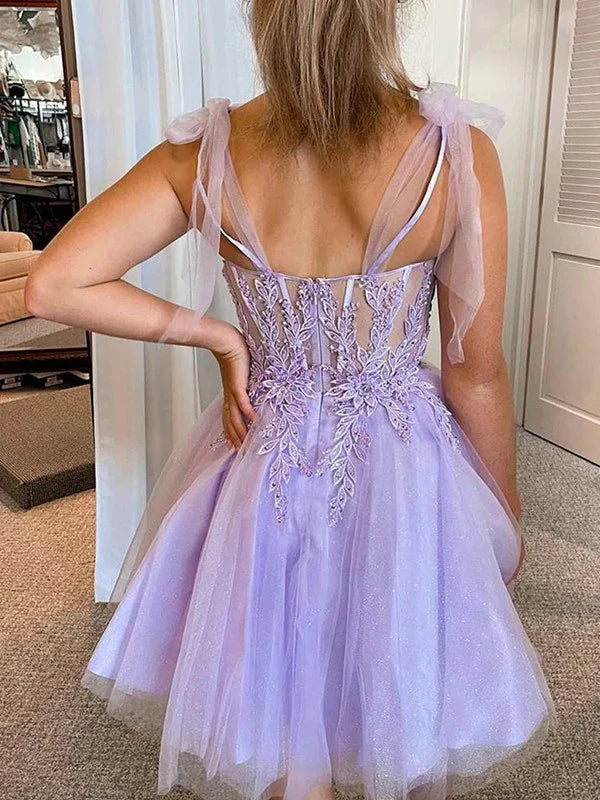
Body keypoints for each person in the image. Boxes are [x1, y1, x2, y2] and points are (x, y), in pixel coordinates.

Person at [25, 1, 555, 799]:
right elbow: (474, 373)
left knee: (275, 696)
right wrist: (500, 514)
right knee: (402, 686)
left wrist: (219, 336)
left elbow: (53, 285)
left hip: (263, 459)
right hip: (404, 466)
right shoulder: (454, 150)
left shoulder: (205, 150)